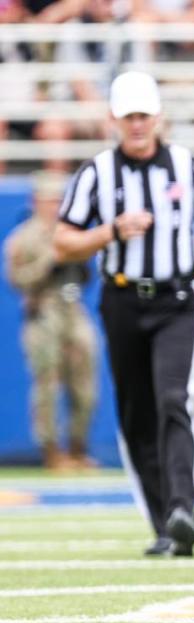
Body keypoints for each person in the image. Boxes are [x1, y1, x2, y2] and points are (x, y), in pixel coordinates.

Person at [53, 71, 194, 557]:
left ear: (159, 117)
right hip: (121, 300)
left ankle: (184, 506)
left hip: (178, 300)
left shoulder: (188, 167)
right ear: (113, 120)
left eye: (144, 115)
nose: (137, 125)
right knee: (136, 415)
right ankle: (164, 523)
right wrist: (111, 232)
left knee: (174, 400)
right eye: (128, 117)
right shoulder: (97, 172)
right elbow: (64, 240)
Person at [4, 171, 98, 472]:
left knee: (85, 381)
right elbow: (18, 280)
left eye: (59, 200)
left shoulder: (71, 232)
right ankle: (52, 451)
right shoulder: (23, 238)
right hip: (43, 312)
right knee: (47, 383)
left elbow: (86, 276)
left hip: (73, 308)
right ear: (36, 202)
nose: (55, 206)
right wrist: (50, 259)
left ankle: (77, 447)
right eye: (49, 200)